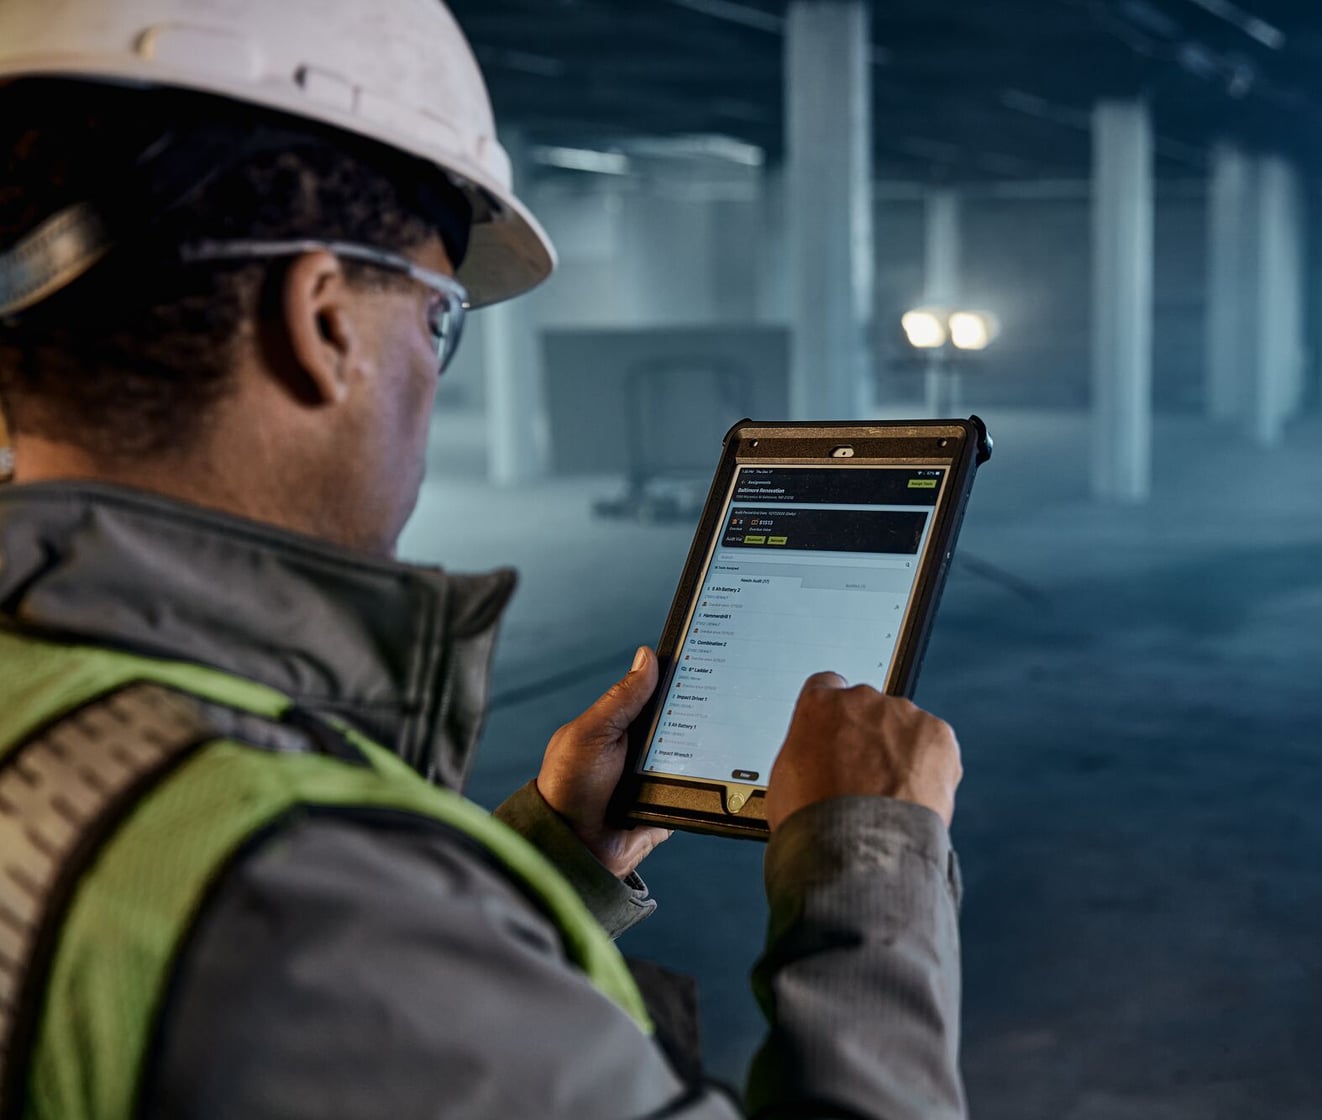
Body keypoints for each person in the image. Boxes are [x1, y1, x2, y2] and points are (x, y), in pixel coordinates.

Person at [0, 1, 966, 1116]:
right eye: (436, 319)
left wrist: (552, 857)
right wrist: (871, 863)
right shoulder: (308, 893)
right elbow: (343, 960)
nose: (433, 368)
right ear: (323, 322)